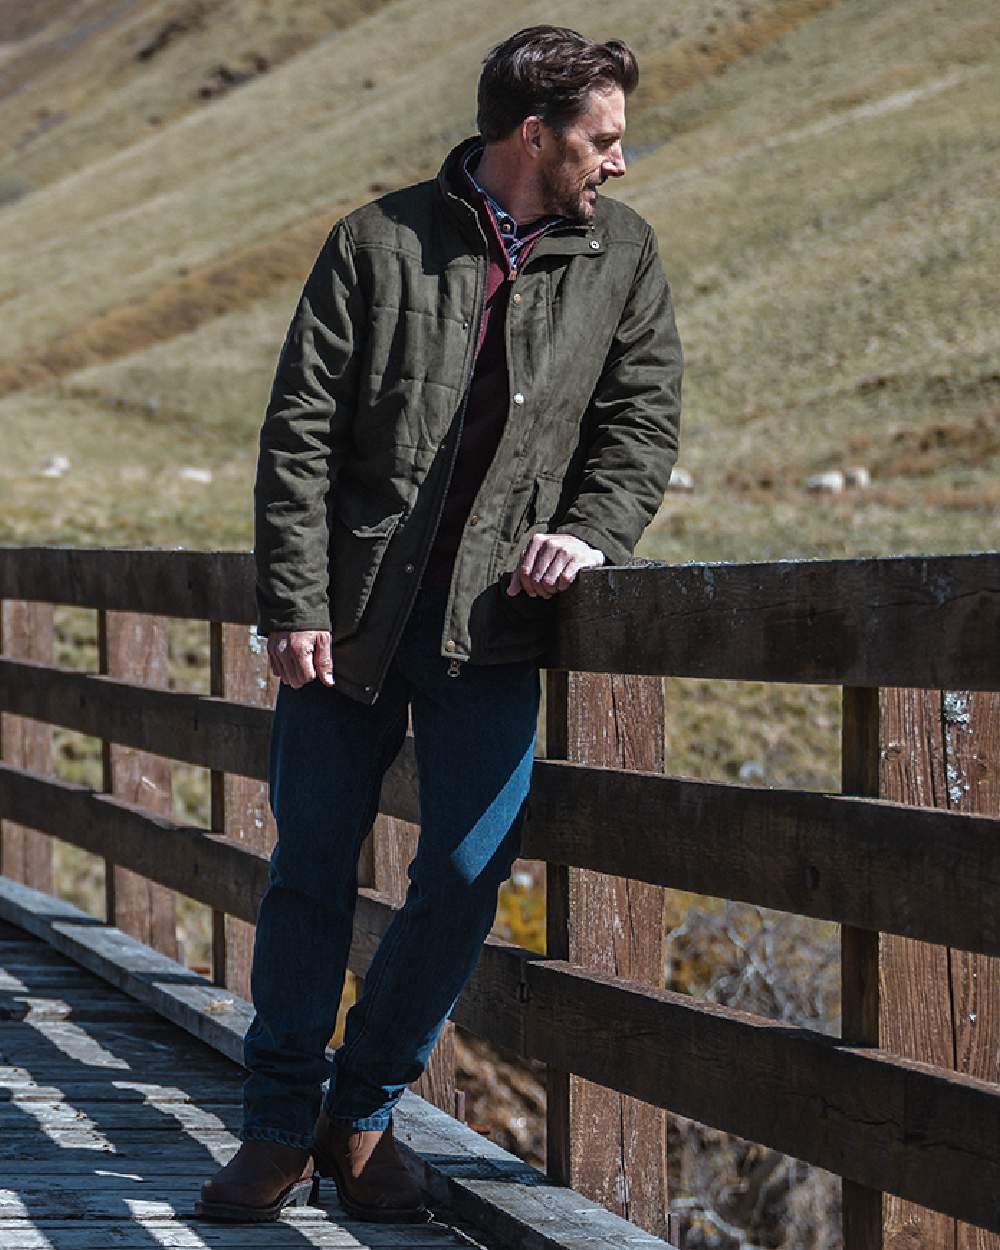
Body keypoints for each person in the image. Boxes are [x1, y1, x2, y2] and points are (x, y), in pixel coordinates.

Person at [197, 23, 683, 1224]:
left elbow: (640, 422)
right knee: (310, 865)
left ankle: (357, 1114)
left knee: (464, 869)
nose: (618, 162)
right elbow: (300, 434)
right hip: (348, 626)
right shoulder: (376, 243)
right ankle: (272, 1131)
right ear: (536, 134)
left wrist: (594, 530)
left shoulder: (621, 254)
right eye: (602, 140)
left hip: (494, 630)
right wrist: (294, 601)